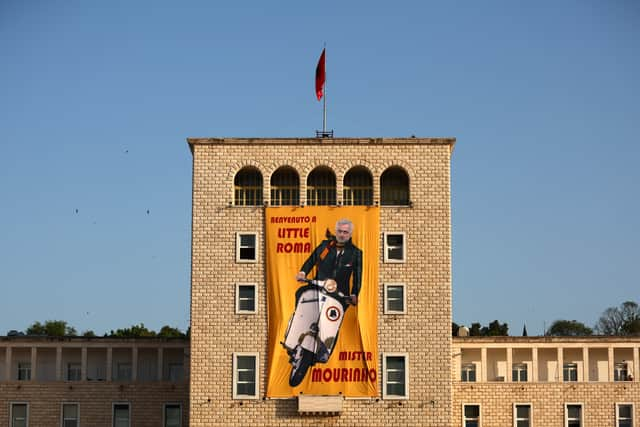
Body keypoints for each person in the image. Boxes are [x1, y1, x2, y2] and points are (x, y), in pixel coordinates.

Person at [296, 218, 363, 307]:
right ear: (335, 232)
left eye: (345, 232)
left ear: (350, 234)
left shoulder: (356, 253)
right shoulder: (325, 246)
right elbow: (312, 260)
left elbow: (357, 277)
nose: (342, 235)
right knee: (300, 292)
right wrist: (302, 272)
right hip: (318, 288)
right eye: (339, 231)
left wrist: (354, 294)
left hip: (340, 294)